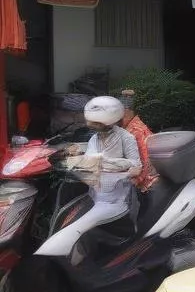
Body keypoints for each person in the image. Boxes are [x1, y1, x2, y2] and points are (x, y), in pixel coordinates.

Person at [52, 96, 141, 254]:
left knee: (77, 230)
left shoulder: (126, 138)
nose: (91, 126)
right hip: (94, 195)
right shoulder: (94, 138)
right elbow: (89, 161)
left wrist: (104, 162)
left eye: (96, 123)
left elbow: (135, 166)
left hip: (117, 199)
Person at [119, 88, 157, 192]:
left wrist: (131, 182)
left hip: (147, 185)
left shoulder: (136, 131)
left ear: (126, 112)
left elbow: (145, 162)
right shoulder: (129, 127)